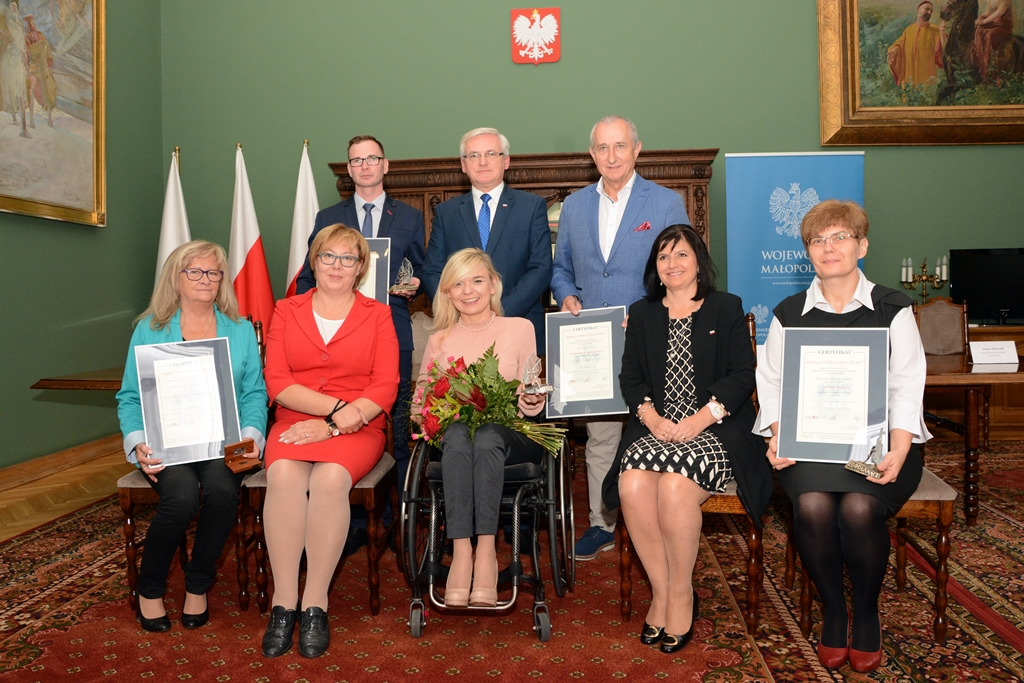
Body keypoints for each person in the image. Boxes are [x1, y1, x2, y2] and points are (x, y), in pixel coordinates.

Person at [754, 200, 929, 673]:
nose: (829, 248)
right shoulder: (789, 313)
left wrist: (900, 447)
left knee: (858, 508)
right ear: (807, 251)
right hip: (810, 443)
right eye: (818, 240)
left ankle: (866, 612)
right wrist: (778, 435)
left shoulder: (893, 308)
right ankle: (834, 609)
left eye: (840, 237)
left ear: (862, 246)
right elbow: (771, 382)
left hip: (880, 443)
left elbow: (906, 383)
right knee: (812, 505)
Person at [600, 225, 770, 653]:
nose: (672, 264)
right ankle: (662, 592)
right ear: (654, 267)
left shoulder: (725, 307)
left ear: (698, 262)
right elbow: (630, 377)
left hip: (714, 425)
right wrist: (650, 417)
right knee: (631, 483)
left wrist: (702, 418)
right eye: (663, 256)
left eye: (681, 255)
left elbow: (742, 374)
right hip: (656, 425)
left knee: (675, 488)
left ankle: (681, 595)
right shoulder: (642, 314)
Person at [550, 115, 689, 561]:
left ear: (637, 149)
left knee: (660, 429)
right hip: (593, 342)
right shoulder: (574, 206)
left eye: (620, 146)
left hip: (654, 338)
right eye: (602, 148)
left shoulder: (665, 203)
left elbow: (683, 267)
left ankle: (662, 518)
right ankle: (602, 523)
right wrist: (566, 295)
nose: (611, 156)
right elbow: (561, 268)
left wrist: (648, 312)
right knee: (602, 436)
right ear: (592, 154)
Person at [116, 240, 268, 633]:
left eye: (213, 272)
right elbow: (130, 397)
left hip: (225, 442)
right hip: (167, 443)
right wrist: (137, 443)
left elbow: (254, 393)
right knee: (181, 498)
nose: (205, 279)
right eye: (195, 271)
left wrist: (250, 437)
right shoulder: (149, 330)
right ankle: (150, 588)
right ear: (176, 278)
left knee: (221, 492)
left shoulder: (239, 330)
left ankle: (198, 583)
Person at [261, 224, 399, 658]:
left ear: (360, 268)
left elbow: (385, 385)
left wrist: (338, 423)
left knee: (329, 480)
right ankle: (284, 603)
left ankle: (315, 603)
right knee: (283, 476)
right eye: (328, 256)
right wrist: (333, 411)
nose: (337, 266)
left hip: (359, 426)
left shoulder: (378, 314)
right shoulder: (286, 309)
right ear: (314, 261)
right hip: (295, 420)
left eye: (348, 258)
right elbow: (277, 380)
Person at [295, 134, 425, 546]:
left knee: (397, 427)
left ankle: (400, 513)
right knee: (347, 418)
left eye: (372, 159)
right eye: (356, 161)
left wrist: (416, 284)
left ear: (385, 165)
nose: (365, 166)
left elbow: (423, 271)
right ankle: (352, 517)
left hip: (392, 330)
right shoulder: (327, 217)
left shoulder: (409, 216)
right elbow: (307, 277)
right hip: (339, 339)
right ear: (348, 170)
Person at [414, 248, 546, 608]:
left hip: (511, 434)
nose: (468, 291)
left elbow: (531, 389)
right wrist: (434, 411)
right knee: (458, 433)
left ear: (493, 285)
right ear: (447, 292)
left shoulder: (520, 328)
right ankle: (461, 552)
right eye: (458, 284)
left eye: (476, 280)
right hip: (457, 439)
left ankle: (486, 551)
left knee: (486, 435)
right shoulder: (439, 339)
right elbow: (420, 404)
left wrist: (531, 401)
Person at [422, 127, 552, 352]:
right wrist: (461, 312)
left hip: (518, 324)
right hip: (460, 330)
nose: (482, 162)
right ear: (463, 165)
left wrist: (497, 314)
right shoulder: (447, 212)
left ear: (506, 161)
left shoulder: (531, 207)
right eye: (474, 155)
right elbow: (433, 271)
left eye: (491, 153)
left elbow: (541, 268)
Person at [887, 1, 941, 86]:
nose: (929, 12)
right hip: (909, 73)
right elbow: (900, 43)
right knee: (910, 92)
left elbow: (942, 48)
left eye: (931, 11)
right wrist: (894, 50)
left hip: (926, 75)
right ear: (918, 10)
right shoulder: (909, 30)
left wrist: (943, 33)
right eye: (927, 9)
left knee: (927, 92)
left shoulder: (936, 30)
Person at [971, 0, 1015, 81]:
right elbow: (988, 12)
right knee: (979, 30)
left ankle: (991, 66)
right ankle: (980, 62)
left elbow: (999, 12)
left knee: (989, 35)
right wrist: (981, 17)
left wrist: (983, 21)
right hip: (994, 21)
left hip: (1004, 23)